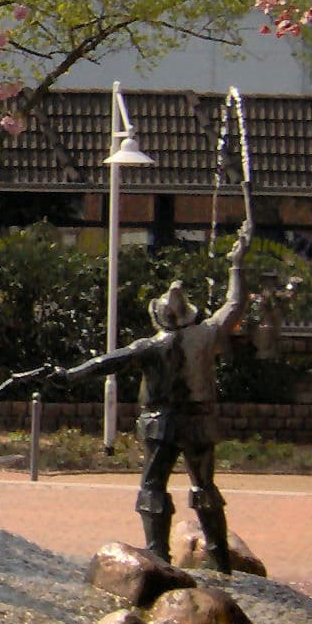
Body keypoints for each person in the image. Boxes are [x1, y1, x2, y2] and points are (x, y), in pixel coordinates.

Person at [63, 221, 254, 572]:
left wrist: (73, 373)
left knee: (152, 486)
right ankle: (219, 557)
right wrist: (236, 263)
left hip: (160, 424)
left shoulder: (151, 345)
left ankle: (158, 554)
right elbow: (236, 303)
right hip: (199, 423)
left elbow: (108, 361)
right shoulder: (207, 333)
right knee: (205, 486)